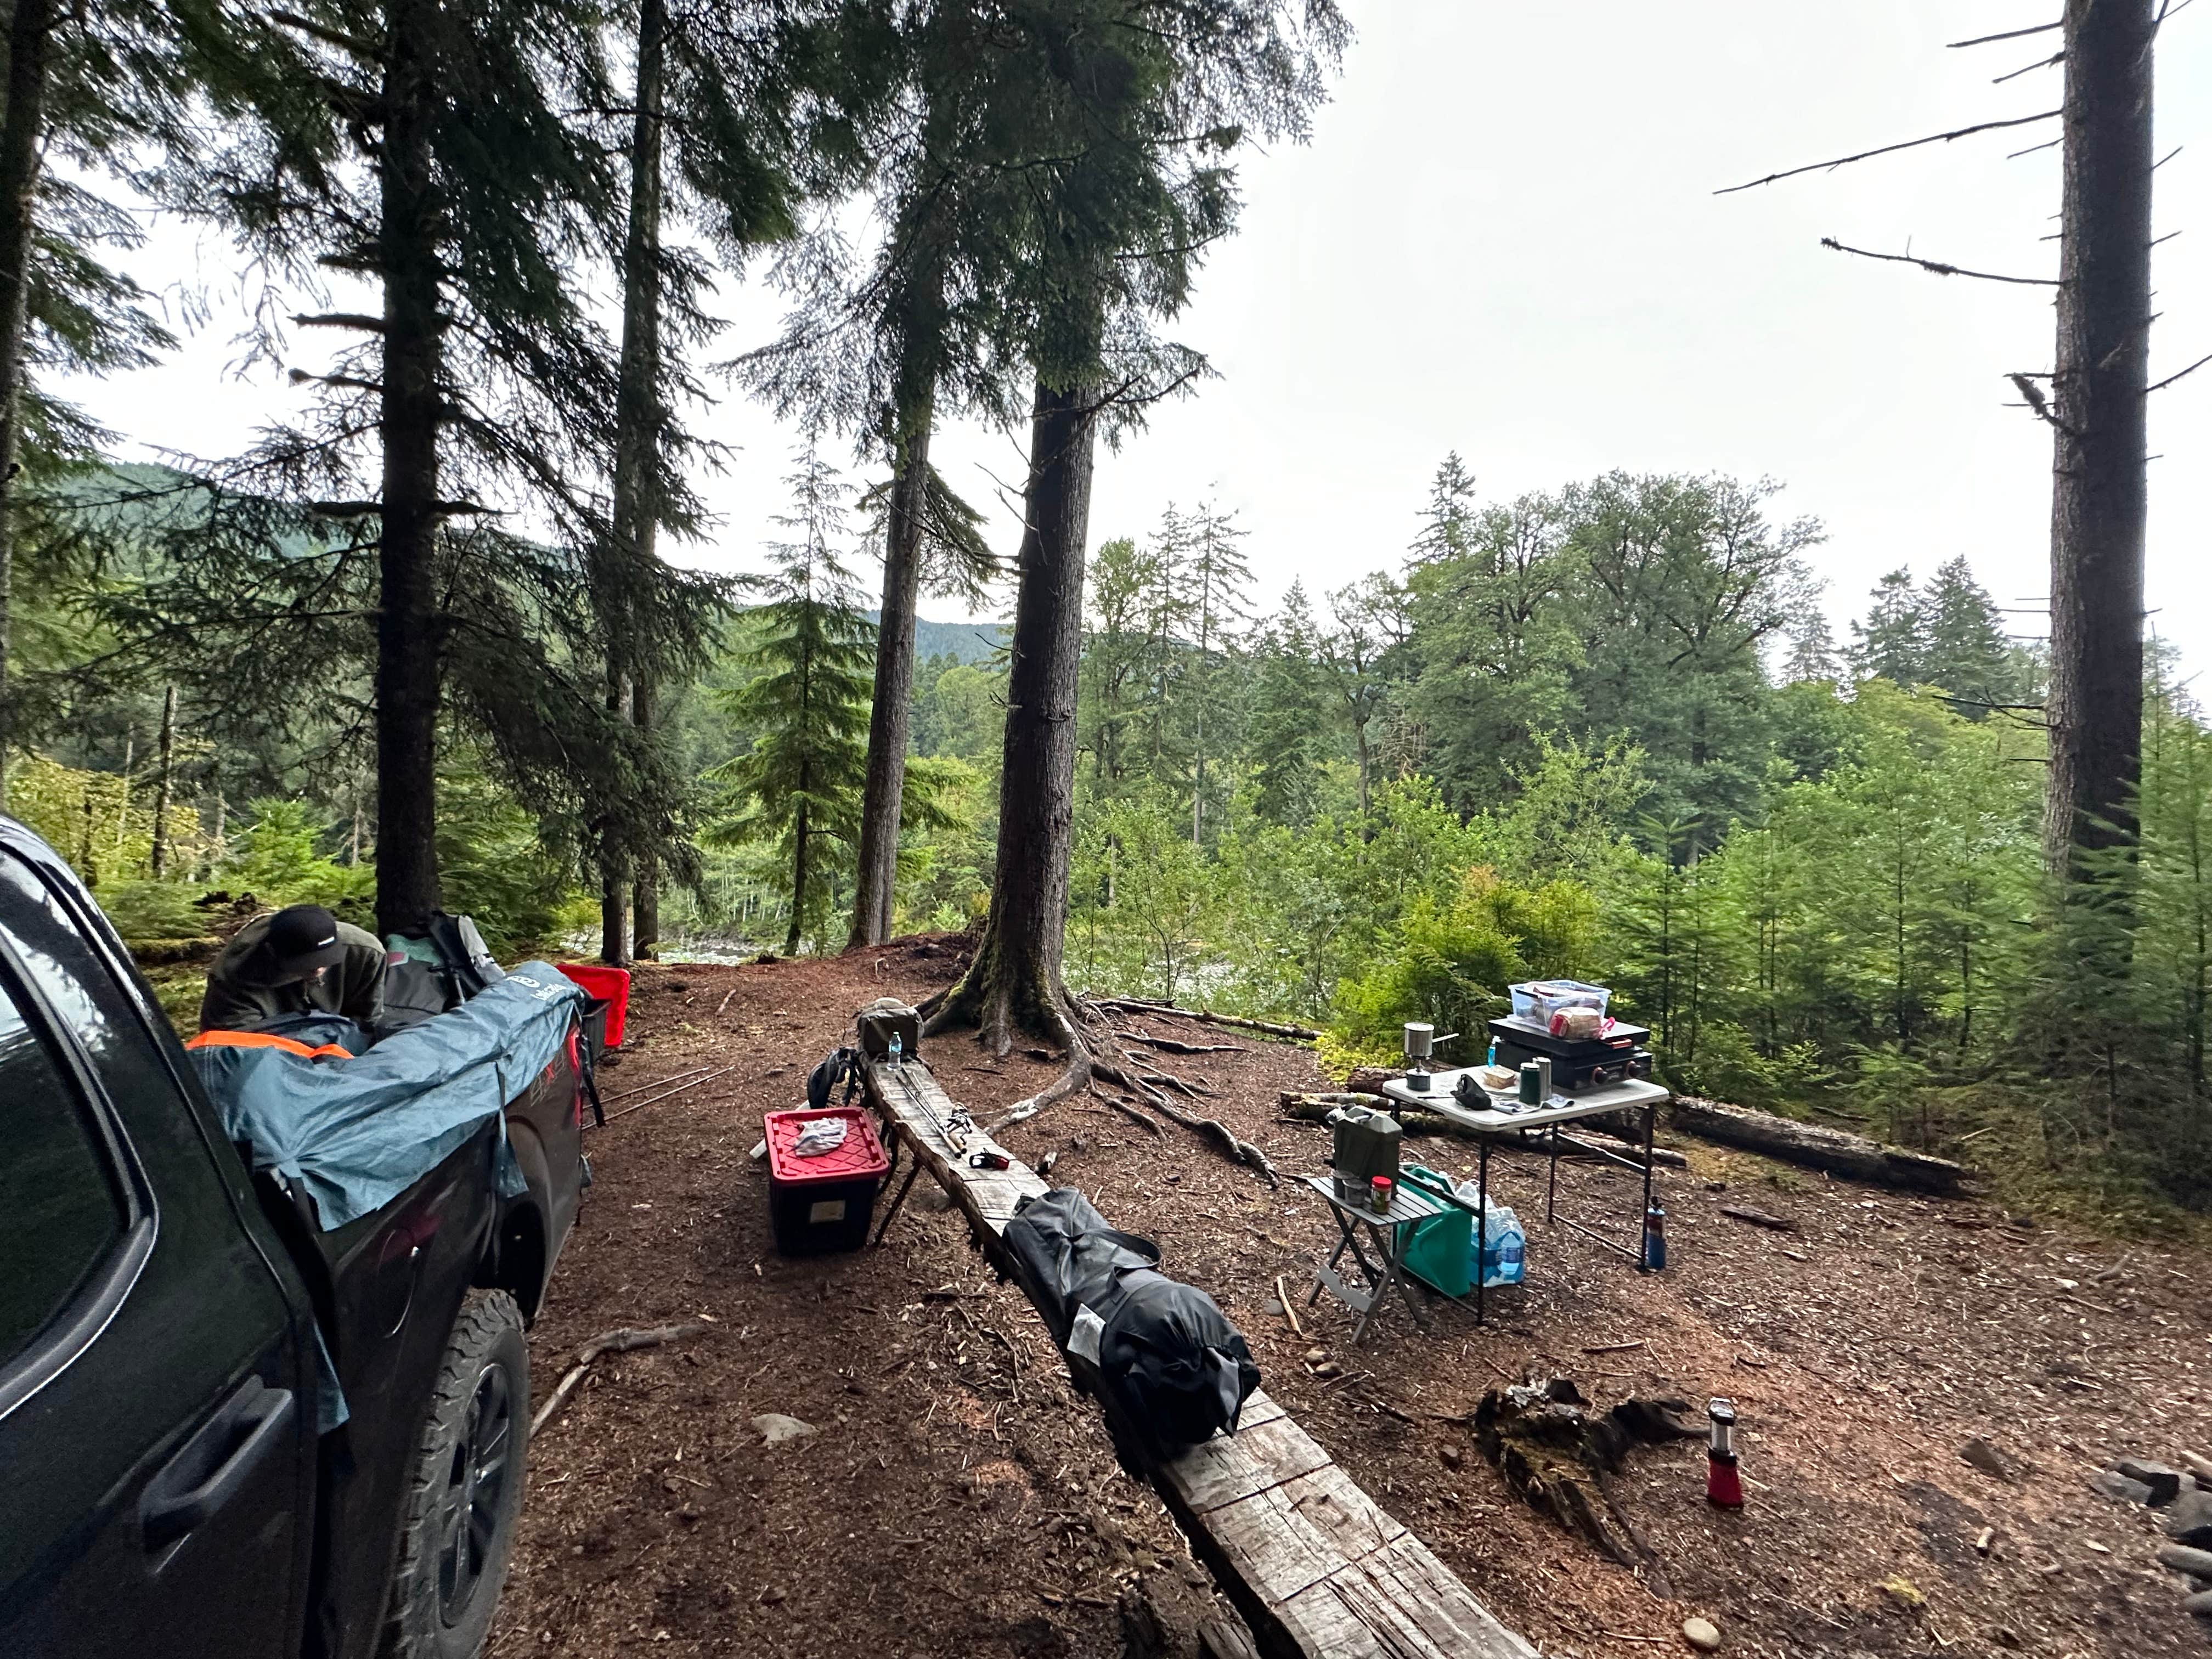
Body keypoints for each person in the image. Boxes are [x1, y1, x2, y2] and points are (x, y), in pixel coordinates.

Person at [200, 904, 388, 1035]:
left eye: (326, 959)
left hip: (342, 1044)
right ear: (272, 952)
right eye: (306, 964)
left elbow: (367, 1020)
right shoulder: (233, 977)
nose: (318, 969)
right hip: (270, 1049)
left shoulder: (365, 952)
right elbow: (234, 1044)